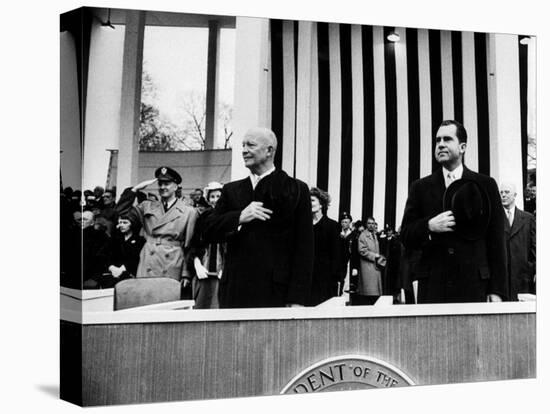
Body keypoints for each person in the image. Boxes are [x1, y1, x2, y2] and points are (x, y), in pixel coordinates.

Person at [202, 127, 313, 308]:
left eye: (250, 145)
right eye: (243, 145)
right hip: (235, 292)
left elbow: (304, 249)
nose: (244, 150)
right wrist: (239, 217)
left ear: (269, 150)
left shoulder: (297, 189)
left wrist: (297, 299)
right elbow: (207, 231)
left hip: (276, 293)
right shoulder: (231, 190)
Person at [400, 120, 507, 303]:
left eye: (447, 139)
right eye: (437, 140)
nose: (440, 144)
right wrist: (428, 226)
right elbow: (406, 234)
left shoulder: (485, 185)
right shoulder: (420, 187)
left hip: (475, 286)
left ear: (462, 147)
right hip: (434, 286)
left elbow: (497, 241)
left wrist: (497, 290)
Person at [116, 167, 198, 289]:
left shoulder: (189, 212)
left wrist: (186, 273)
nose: (163, 187)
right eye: (160, 184)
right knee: (145, 297)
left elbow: (189, 246)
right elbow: (121, 210)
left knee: (166, 298)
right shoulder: (146, 206)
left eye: (167, 184)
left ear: (176, 187)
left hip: (172, 260)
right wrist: (134, 190)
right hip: (148, 258)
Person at [188, 182, 225, 309]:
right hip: (205, 267)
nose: (215, 200)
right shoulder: (203, 217)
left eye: (218, 196)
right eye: (212, 197)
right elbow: (195, 242)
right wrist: (197, 263)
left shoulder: (230, 216)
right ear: (208, 199)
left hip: (222, 268)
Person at [500, 182, 536, 300]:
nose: (503, 195)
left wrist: (532, 269)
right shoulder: (495, 219)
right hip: (502, 280)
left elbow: (534, 248)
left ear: (515, 195)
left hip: (523, 278)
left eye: (507, 192)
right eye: (501, 192)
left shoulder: (528, 218)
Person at [307, 187, 341, 306]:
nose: (308, 203)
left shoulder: (332, 226)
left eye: (312, 200)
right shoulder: (304, 226)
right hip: (307, 277)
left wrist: (334, 277)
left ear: (321, 204)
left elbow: (336, 254)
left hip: (325, 279)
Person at [99, 207, 146, 289]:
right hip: (111, 274)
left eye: (125, 223)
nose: (121, 225)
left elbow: (137, 258)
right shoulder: (114, 239)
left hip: (130, 276)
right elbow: (103, 255)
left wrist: (122, 269)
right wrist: (112, 267)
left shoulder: (140, 240)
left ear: (132, 223)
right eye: (120, 222)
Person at [355, 217, 385, 305]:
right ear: (366, 224)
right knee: (369, 293)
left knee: (375, 293)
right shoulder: (363, 235)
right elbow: (362, 250)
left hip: (375, 266)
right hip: (367, 268)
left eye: (373, 223)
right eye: (369, 223)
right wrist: (374, 255)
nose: (371, 225)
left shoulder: (374, 235)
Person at [338, 212, 353, 295]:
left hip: (349, 262)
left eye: (346, 222)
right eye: (343, 222)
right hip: (340, 261)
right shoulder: (338, 234)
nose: (344, 224)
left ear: (350, 223)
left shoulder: (353, 235)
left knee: (348, 281)